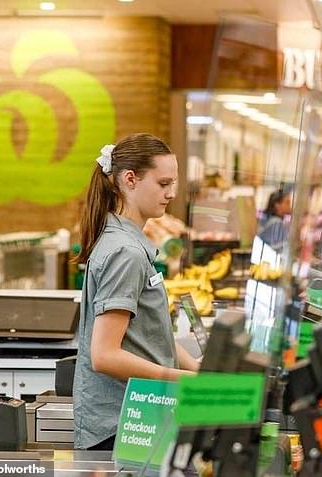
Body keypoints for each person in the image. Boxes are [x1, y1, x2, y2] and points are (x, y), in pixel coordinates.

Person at [73, 133, 199, 450]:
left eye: (174, 183)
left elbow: (148, 334)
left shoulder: (124, 241)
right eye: (163, 183)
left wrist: (198, 369)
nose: (172, 193)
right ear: (130, 179)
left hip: (139, 417)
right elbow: (104, 355)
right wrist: (179, 378)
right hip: (123, 426)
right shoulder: (125, 252)